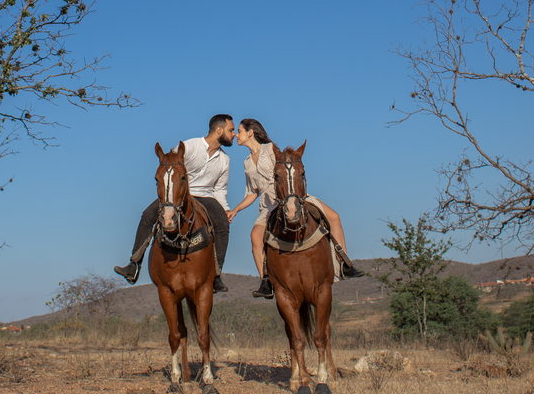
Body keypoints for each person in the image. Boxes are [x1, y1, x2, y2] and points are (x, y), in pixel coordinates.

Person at [226, 118, 365, 299]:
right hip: (267, 206)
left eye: (239, 130)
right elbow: (252, 192)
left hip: (288, 197)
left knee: (334, 217)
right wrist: (236, 210)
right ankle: (265, 281)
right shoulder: (246, 162)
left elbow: (288, 171)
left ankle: (345, 265)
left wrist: (289, 193)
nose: (236, 134)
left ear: (250, 132)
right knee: (255, 236)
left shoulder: (271, 150)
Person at [114, 114, 234, 293]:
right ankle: (134, 264)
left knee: (222, 223)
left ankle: (216, 274)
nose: (234, 134)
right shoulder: (191, 146)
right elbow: (170, 163)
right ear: (219, 130)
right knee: (148, 215)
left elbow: (220, 189)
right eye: (231, 130)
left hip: (207, 197)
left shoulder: (225, 160)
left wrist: (225, 209)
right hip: (181, 194)